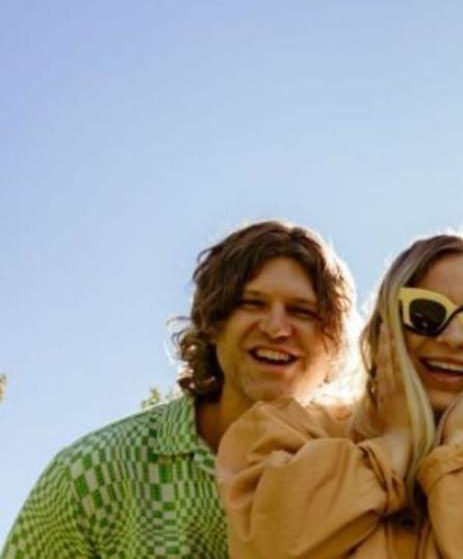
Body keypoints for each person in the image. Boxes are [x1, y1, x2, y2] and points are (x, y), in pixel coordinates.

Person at [3, 220, 357, 559]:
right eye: (252, 303)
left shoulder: (362, 478)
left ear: (334, 343)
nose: (277, 328)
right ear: (214, 321)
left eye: (303, 311)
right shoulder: (93, 474)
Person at [216, 231, 463, 558]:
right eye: (425, 312)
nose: (454, 339)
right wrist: (393, 446)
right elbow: (268, 546)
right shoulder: (284, 435)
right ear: (383, 326)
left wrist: (459, 458)